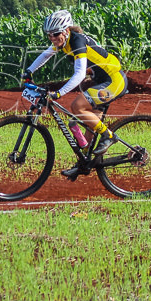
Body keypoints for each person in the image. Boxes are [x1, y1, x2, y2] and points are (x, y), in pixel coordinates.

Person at [23, 9, 128, 179]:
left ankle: (109, 136)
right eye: (49, 35)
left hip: (114, 80)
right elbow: (45, 55)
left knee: (77, 106)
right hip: (100, 80)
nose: (52, 38)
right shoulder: (64, 42)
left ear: (66, 30)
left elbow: (79, 75)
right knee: (88, 126)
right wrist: (29, 71)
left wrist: (59, 93)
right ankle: (84, 163)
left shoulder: (77, 40)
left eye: (55, 34)